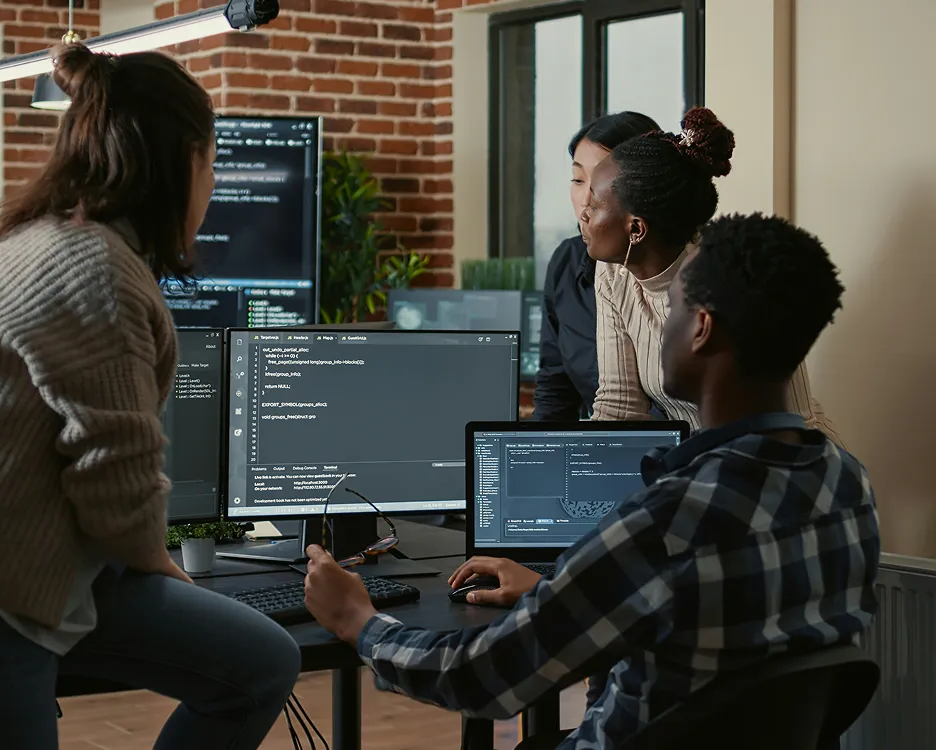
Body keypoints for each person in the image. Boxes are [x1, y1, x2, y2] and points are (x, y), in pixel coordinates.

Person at [0, 45, 300, 750]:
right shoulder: (94, 269)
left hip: (28, 581)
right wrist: (171, 572)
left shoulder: (55, 244)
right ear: (181, 161)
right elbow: (116, 484)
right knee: (254, 661)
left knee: (260, 661)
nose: (211, 187)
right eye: (211, 164)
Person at [303, 213, 880, 749]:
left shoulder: (668, 520)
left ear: (701, 328)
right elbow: (714, 616)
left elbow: (479, 676)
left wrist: (360, 622)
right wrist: (553, 590)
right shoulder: (846, 484)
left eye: (673, 310)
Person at [582, 107, 840, 439]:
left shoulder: (729, 276)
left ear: (636, 229)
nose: (583, 214)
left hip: (779, 455)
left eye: (594, 204)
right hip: (700, 457)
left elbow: (791, 420)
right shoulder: (612, 272)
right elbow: (619, 408)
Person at [534, 111, 658, 421]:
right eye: (578, 180)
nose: (585, 200)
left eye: (603, 182)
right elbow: (555, 385)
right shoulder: (567, 262)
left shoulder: (681, 274)